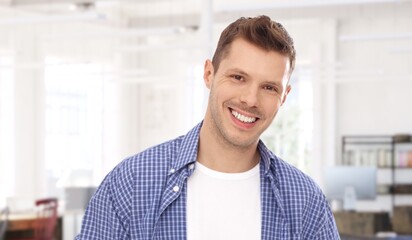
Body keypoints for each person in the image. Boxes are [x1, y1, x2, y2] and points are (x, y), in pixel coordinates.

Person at [76, 15, 340, 239]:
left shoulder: (305, 201)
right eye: (238, 77)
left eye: (269, 87)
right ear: (208, 74)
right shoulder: (131, 184)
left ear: (284, 96)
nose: (250, 99)